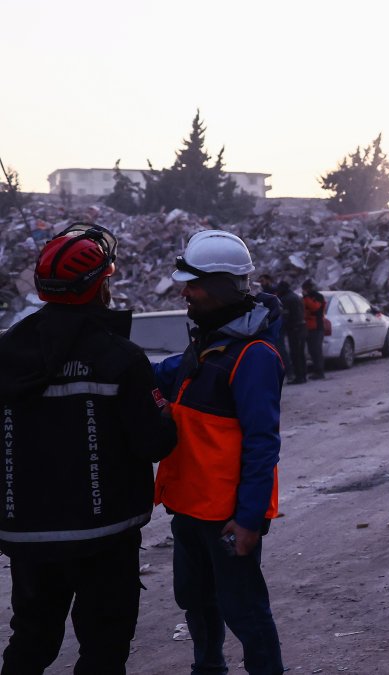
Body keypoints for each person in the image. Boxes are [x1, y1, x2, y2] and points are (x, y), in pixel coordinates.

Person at [0, 222, 177, 674]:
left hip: (28, 537)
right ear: (100, 287)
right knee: (103, 648)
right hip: (105, 538)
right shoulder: (120, 357)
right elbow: (156, 442)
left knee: (30, 642)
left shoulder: (7, 352)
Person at [154, 229, 286, 675]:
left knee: (244, 609)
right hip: (190, 508)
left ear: (222, 286)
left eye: (193, 284)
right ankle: (207, 668)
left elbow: (262, 445)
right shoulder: (209, 345)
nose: (185, 292)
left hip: (227, 515)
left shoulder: (254, 355)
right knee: (195, 600)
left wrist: (249, 520)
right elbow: (160, 373)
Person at [301, 279, 326, 380]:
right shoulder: (307, 297)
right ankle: (316, 371)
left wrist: (306, 297)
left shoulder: (317, 297)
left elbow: (314, 307)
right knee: (312, 350)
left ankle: (320, 372)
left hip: (317, 327)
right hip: (309, 326)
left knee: (316, 350)